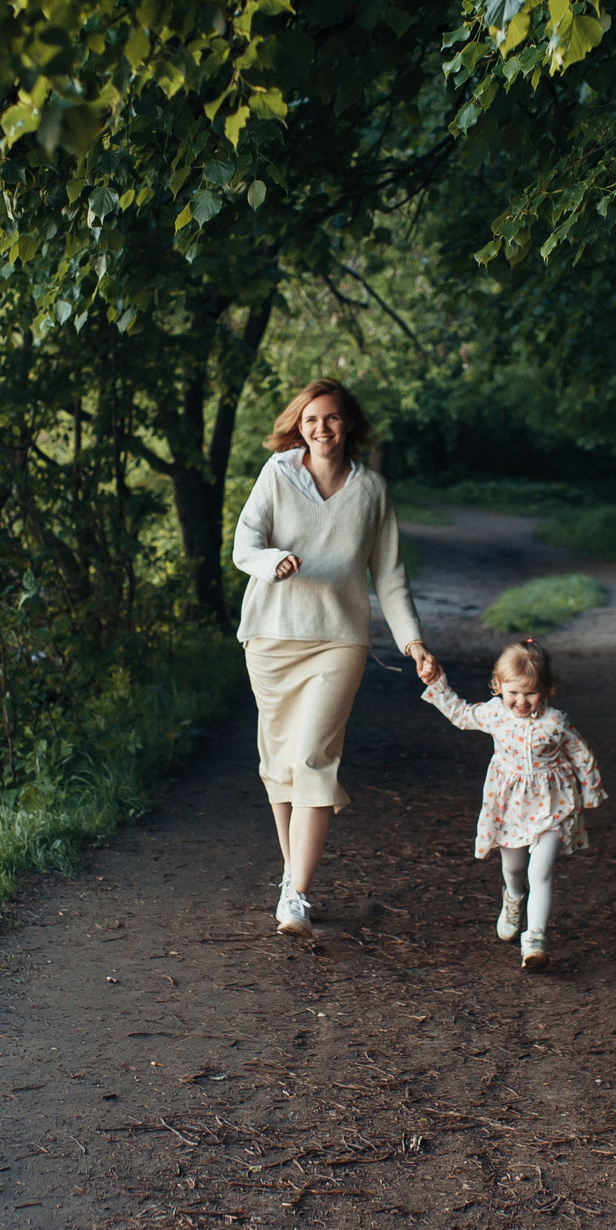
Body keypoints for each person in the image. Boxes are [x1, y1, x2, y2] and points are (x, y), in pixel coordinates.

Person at [231, 377, 439, 937]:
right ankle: (292, 879)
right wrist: (272, 561)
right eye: (311, 420)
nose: (321, 428)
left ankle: (296, 895)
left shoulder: (371, 491)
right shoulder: (277, 474)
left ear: (349, 424)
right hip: (272, 636)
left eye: (332, 418)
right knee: (278, 765)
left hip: (338, 640)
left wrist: (413, 643)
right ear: (299, 427)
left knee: (312, 759)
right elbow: (244, 545)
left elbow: (389, 576)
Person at [419, 637, 606, 970]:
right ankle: (514, 898)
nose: (521, 701)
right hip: (510, 806)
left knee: (540, 870)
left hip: (552, 804)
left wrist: (590, 789)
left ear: (546, 689)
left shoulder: (555, 722)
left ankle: (535, 939)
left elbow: (580, 752)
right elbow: (461, 714)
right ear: (499, 686)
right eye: (514, 692)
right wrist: (437, 684)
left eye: (530, 693)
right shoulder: (495, 714)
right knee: (515, 868)